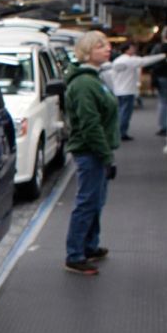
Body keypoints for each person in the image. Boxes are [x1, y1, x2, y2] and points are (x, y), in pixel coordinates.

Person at [64, 31, 118, 276]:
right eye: (100, 46)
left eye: (106, 45)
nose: (107, 49)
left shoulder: (95, 79)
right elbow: (90, 124)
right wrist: (106, 156)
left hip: (97, 150)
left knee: (96, 201)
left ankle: (89, 245)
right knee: (87, 203)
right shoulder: (85, 83)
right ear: (87, 52)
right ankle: (75, 255)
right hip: (91, 152)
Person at [100, 42, 167, 140]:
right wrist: (163, 55)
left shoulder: (117, 61)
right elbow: (145, 61)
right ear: (127, 49)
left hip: (118, 90)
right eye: (132, 48)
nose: (134, 49)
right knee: (125, 114)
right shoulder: (130, 60)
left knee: (120, 112)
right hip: (128, 90)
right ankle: (122, 133)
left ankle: (117, 132)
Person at [149, 27, 167, 138]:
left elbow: (152, 62)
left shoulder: (158, 47)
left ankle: (163, 127)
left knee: (163, 101)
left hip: (161, 76)